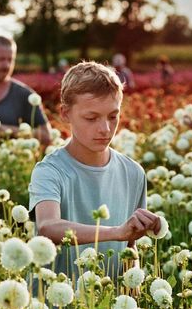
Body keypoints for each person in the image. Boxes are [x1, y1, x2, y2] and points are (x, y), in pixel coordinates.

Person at [29, 62, 161, 280]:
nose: (105, 129)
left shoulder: (133, 173)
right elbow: (48, 226)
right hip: (56, 307)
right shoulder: (50, 171)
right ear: (65, 113)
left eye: (112, 116)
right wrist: (116, 232)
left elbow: (130, 245)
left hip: (110, 307)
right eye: (91, 118)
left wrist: (132, 283)